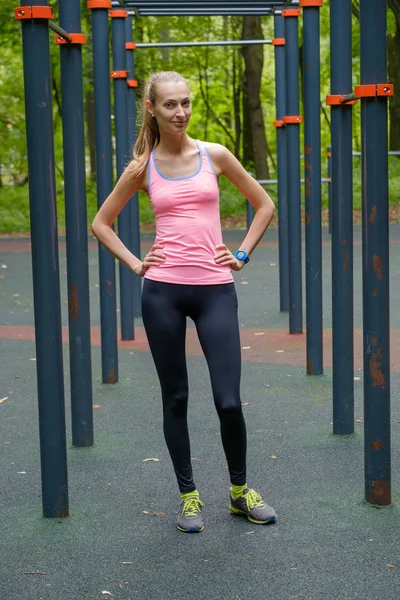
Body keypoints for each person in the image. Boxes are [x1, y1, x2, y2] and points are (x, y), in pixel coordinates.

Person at [92, 71, 276, 533]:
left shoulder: (213, 154)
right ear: (152, 108)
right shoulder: (142, 167)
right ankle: (189, 497)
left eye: (186, 103)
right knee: (175, 396)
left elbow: (264, 205)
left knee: (228, 400)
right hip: (163, 293)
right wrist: (137, 263)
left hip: (215, 289)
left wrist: (240, 253)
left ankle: (239, 493)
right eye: (171, 104)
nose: (181, 112)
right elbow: (101, 222)